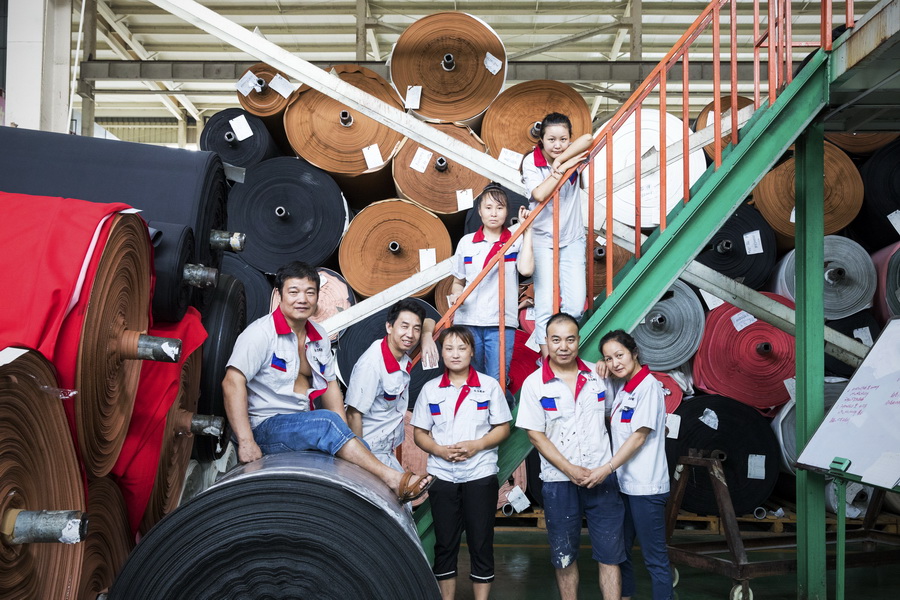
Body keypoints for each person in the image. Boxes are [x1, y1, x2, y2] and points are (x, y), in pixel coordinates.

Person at [222, 261, 432, 503]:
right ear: (279, 294)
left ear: (318, 297)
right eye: (294, 292)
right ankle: (394, 479)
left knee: (351, 441)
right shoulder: (260, 333)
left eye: (310, 292)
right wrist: (246, 441)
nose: (302, 299)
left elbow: (330, 386)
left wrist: (344, 435)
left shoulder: (320, 336)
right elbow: (232, 382)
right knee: (327, 422)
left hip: (301, 425)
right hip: (264, 426)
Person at [516, 313, 624, 600]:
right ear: (546, 342)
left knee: (610, 554)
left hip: (602, 477)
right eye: (556, 340)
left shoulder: (598, 376)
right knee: (564, 557)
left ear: (578, 341)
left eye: (570, 339)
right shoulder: (534, 384)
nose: (563, 346)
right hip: (559, 482)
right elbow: (535, 435)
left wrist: (607, 467)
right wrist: (570, 469)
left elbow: (616, 413)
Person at [412, 325, 512, 600]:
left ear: (471, 352)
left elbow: (503, 428)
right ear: (442, 353)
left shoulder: (488, 386)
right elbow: (419, 432)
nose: (455, 354)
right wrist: (439, 450)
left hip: (480, 473)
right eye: (449, 348)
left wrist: (477, 445)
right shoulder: (431, 389)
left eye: (461, 347)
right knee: (445, 543)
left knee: (481, 541)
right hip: (442, 475)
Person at [597, 330, 673, 600]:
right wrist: (600, 370)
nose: (615, 363)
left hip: (646, 488)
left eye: (619, 355)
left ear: (634, 353)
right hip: (625, 486)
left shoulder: (648, 387)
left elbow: (638, 437)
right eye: (609, 358)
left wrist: (607, 468)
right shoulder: (624, 388)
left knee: (655, 558)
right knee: (622, 553)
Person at [445, 184, 534, 388]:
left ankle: (501, 405)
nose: (494, 213)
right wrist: (456, 294)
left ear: (507, 211)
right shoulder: (466, 243)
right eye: (488, 207)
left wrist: (527, 231)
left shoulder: (515, 241)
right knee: (472, 380)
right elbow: (458, 282)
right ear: (480, 211)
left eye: (499, 208)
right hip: (468, 321)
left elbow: (527, 270)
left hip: (501, 322)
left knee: (496, 381)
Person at [521, 112, 594, 356]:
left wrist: (561, 160)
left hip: (572, 239)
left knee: (575, 305)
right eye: (551, 139)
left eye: (563, 139)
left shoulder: (571, 153)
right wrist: (560, 169)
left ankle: (562, 352)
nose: (557, 145)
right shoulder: (531, 161)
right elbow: (540, 194)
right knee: (545, 305)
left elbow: (588, 138)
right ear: (541, 140)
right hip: (543, 240)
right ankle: (546, 360)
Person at [345, 299, 436, 472]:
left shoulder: (398, 348)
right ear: (389, 327)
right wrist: (360, 463)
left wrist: (426, 336)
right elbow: (353, 414)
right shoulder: (372, 364)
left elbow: (430, 321)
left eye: (416, 329)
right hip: (369, 451)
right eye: (404, 326)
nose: (410, 334)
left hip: (386, 449)